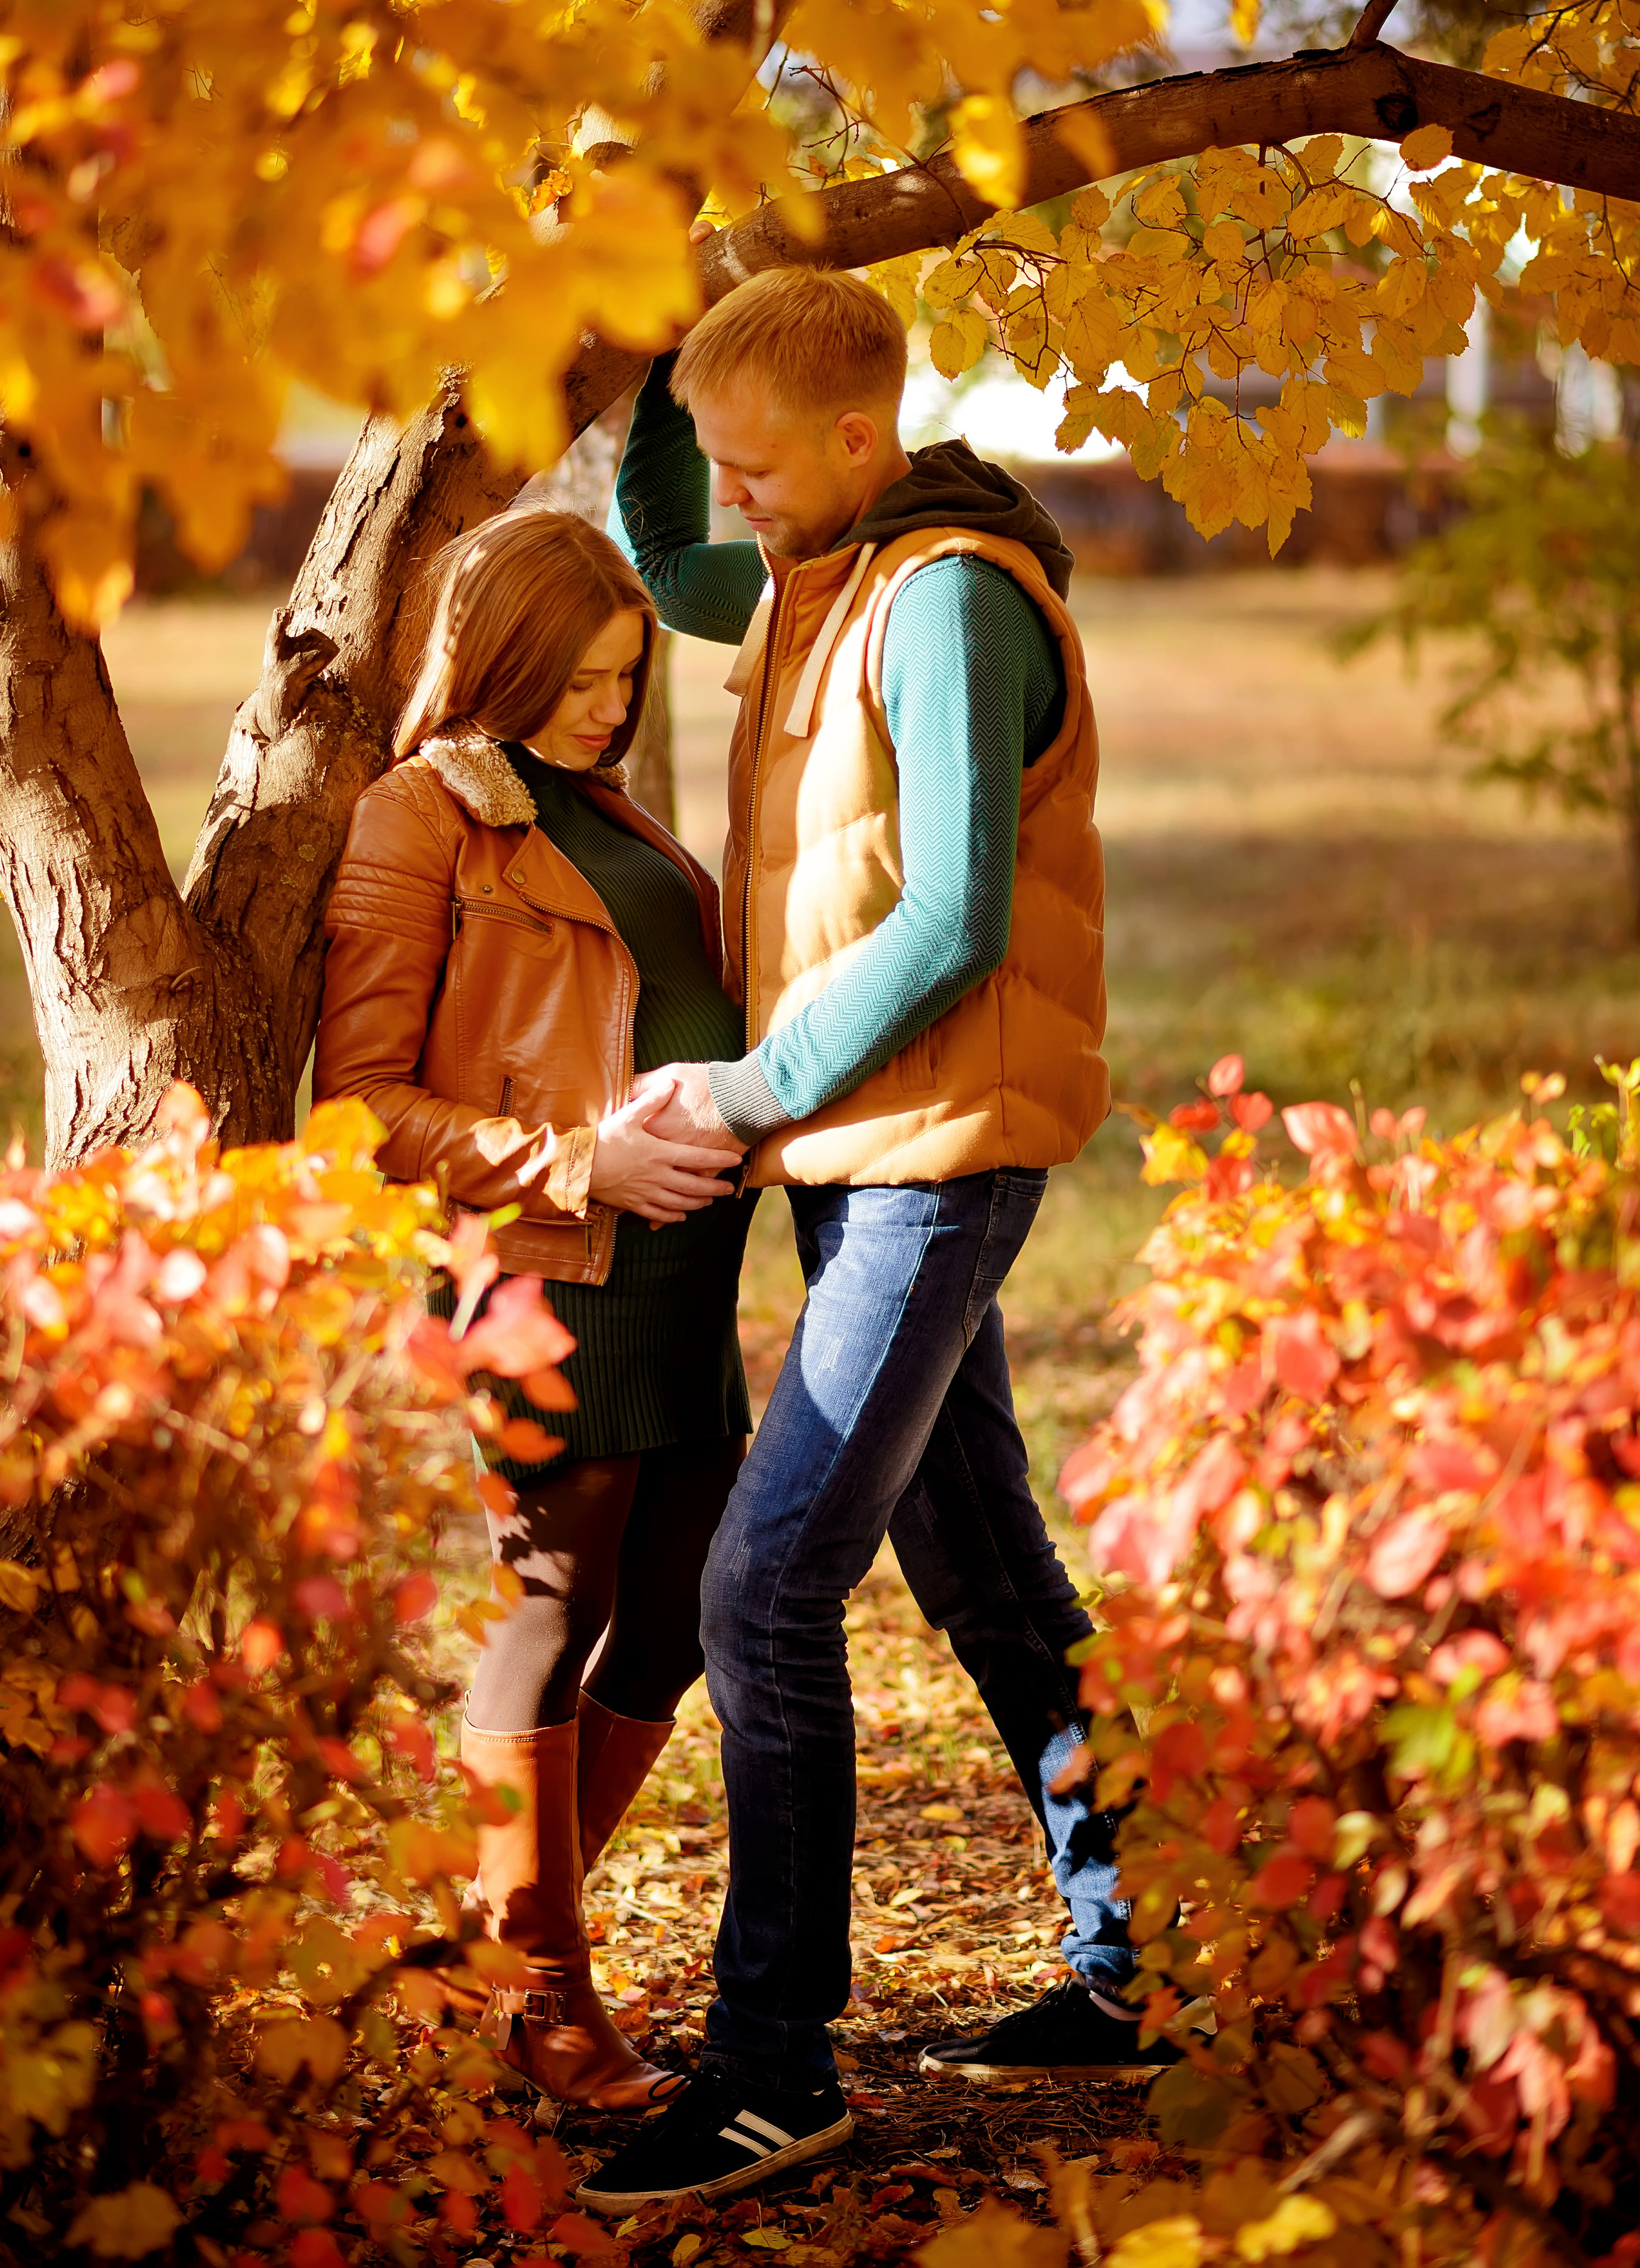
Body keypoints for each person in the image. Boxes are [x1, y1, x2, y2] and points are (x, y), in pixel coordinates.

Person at [576, 265, 1176, 2216]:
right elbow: (666, 549)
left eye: (762, 465)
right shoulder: (819, 574)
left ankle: (772, 2070)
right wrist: (665, 341)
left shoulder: (946, 605)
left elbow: (953, 926)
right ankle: (1145, 1949)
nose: (731, 501)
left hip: (931, 1154)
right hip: (869, 1150)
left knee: (764, 1595)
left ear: (860, 442)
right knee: (981, 1557)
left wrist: (748, 1088)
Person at [314, 508, 752, 2112]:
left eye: (623, 679)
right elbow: (358, 1104)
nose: (599, 707)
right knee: (552, 1607)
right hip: (548, 1267)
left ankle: (490, 1957)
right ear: (491, 660)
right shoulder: (420, 816)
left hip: (684, 1274)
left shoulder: (609, 811)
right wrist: (574, 1165)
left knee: (691, 1601)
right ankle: (545, 2003)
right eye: (570, 678)